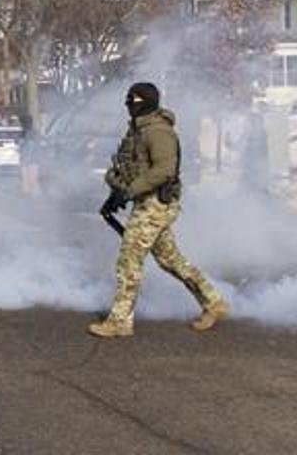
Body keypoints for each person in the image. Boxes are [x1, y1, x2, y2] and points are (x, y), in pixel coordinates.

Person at [88, 83, 229, 339]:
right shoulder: (138, 130)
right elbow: (130, 169)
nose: (128, 105)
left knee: (129, 259)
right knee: (170, 260)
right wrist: (115, 196)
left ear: (146, 103)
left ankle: (120, 321)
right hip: (146, 202)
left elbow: (164, 170)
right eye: (128, 100)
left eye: (133, 101)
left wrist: (129, 192)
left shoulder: (158, 131)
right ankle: (213, 302)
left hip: (155, 204)